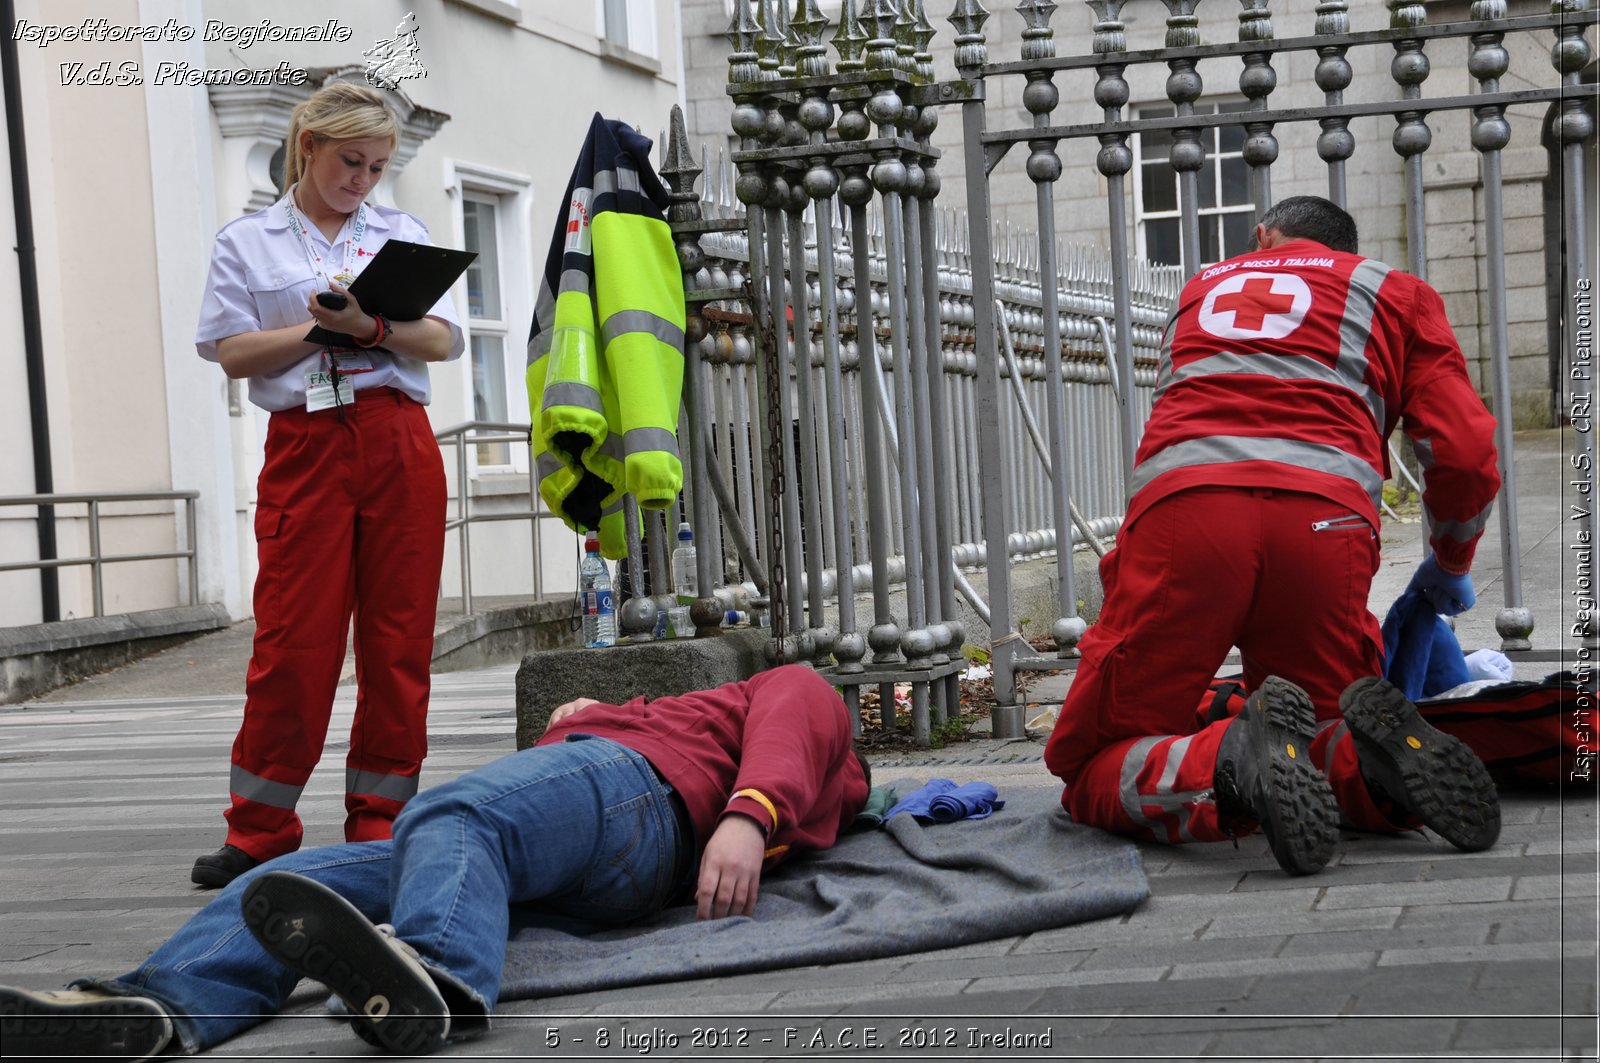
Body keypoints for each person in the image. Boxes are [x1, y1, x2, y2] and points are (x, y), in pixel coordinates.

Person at [0, 665, 870, 1059]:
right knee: (283, 883)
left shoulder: (756, 708)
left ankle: (437, 972)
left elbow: (802, 694)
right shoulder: (668, 722)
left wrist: (749, 815)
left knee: (450, 811)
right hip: (613, 860)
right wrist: (599, 710)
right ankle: (165, 1004)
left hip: (637, 792)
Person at [1042, 196, 1504, 876]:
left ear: (1261, 237)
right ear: (1346, 250)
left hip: (1189, 518)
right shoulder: (1395, 292)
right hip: (1324, 522)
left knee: (1089, 763)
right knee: (1320, 726)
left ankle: (1225, 760)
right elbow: (1462, 451)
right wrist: (1448, 562)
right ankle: (1368, 770)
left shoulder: (1201, 288)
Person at [188, 83, 464, 889]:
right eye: (352, 161)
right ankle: (260, 828)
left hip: (396, 438)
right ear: (306, 143)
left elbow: (441, 338)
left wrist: (369, 327)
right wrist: (321, 328)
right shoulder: (248, 241)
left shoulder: (400, 232)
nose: (364, 180)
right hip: (305, 442)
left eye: (377, 166)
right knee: (293, 641)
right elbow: (230, 353)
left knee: (399, 638)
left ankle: (380, 816)